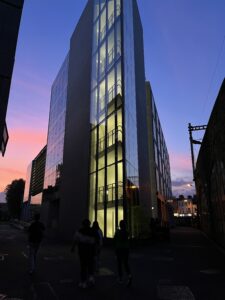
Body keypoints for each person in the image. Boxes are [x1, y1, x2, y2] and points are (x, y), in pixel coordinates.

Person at [71, 219, 95, 289]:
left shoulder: (79, 231)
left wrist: (73, 247)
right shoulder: (93, 231)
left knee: (83, 266)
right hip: (91, 250)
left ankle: (83, 282)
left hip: (82, 251)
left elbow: (75, 240)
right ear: (89, 224)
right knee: (90, 264)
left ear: (82, 224)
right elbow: (97, 241)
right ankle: (91, 277)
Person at [114, 220, 132, 286]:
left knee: (119, 264)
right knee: (126, 263)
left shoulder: (118, 232)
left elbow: (115, 239)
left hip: (119, 249)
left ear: (120, 225)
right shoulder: (127, 232)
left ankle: (120, 278)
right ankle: (129, 275)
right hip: (126, 249)